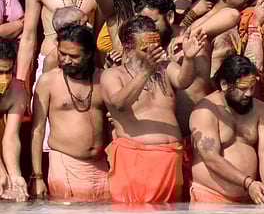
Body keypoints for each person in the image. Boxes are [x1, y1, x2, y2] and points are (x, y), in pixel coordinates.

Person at [100, 16, 205, 203]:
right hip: (135, 161)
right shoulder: (112, 74)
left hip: (170, 159)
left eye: (156, 45)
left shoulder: (165, 68)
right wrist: (146, 71)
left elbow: (183, 81)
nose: (154, 51)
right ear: (128, 49)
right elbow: (119, 103)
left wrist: (189, 58)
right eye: (146, 47)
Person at [30, 24, 108, 201]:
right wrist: (37, 176)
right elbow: (38, 130)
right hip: (64, 165)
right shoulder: (48, 81)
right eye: (62, 53)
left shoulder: (103, 78)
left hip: (102, 167)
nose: (65, 60)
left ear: (88, 54)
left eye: (73, 56)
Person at [189, 55, 264, 205]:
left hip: (249, 197)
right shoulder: (205, 111)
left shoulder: (260, 109)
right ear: (224, 84)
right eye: (243, 89)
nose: (249, 94)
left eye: (252, 87)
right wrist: (248, 183)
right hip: (210, 198)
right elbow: (211, 159)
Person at [0, 40, 27, 201]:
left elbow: (10, 137)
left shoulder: (17, 91)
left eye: (8, 71)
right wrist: (1, 172)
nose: (3, 78)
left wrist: (15, 176)